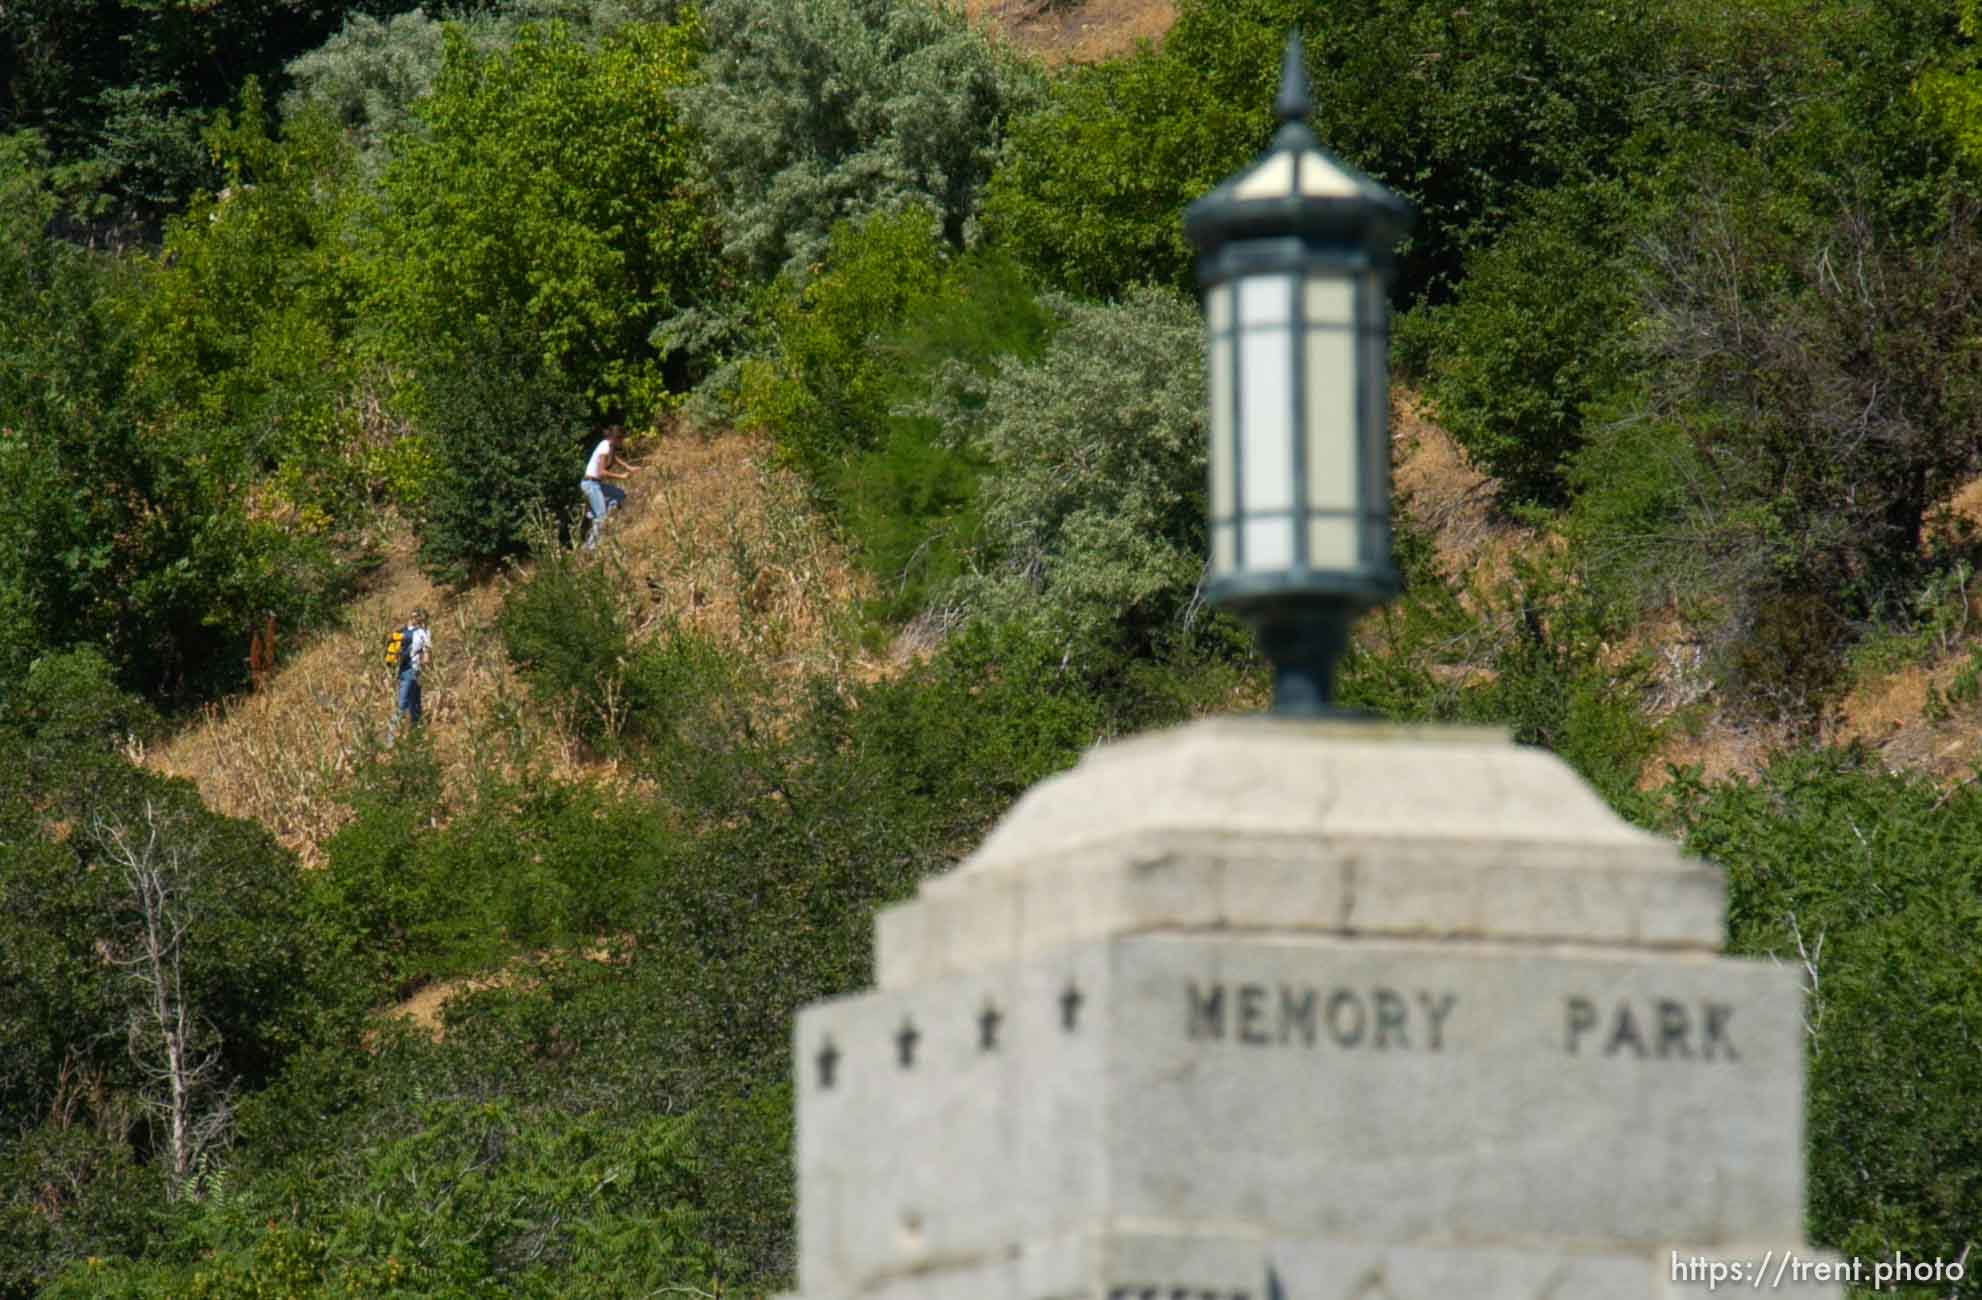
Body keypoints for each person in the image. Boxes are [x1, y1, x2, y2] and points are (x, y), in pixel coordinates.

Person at [581, 424, 638, 550]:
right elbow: (602, 472)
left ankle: (596, 515)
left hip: (595, 484)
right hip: (591, 485)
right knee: (601, 517)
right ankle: (590, 549)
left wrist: (628, 467)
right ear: (616, 438)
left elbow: (614, 458)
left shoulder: (608, 445)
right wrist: (621, 476)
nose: (622, 442)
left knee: (620, 495)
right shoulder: (605, 446)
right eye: (622, 439)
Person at [389, 607, 432, 741]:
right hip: (411, 671)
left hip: (406, 670)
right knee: (404, 704)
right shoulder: (421, 632)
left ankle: (414, 737)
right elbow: (427, 656)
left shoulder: (402, 632)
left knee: (414, 704)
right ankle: (391, 740)